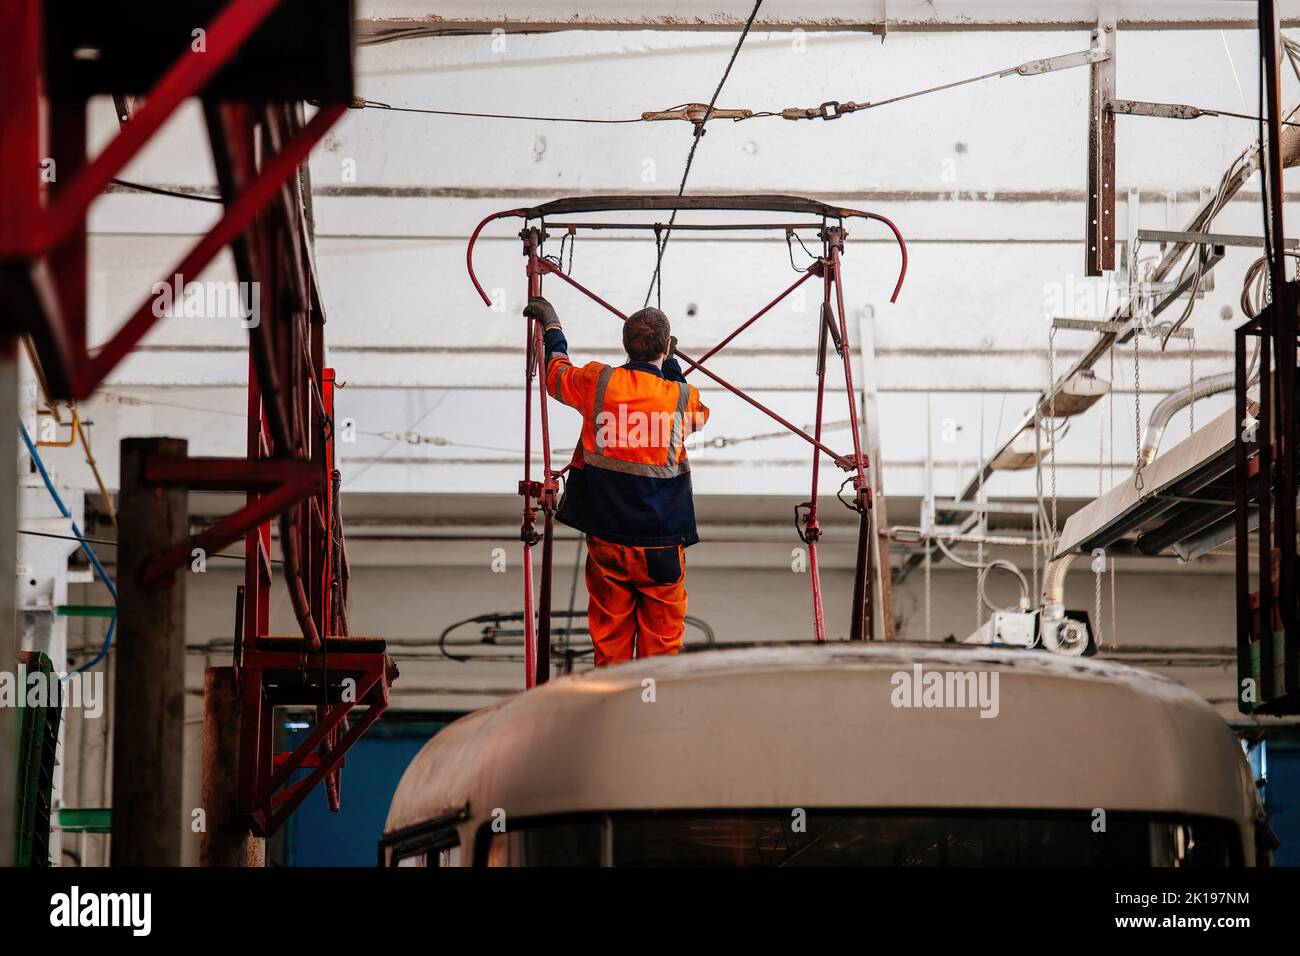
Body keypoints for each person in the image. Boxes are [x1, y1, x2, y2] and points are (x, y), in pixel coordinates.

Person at [524, 295, 709, 666]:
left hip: (608, 539)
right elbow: (697, 419)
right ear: (667, 345)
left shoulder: (599, 382)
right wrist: (672, 365)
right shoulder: (681, 397)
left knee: (610, 646)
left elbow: (556, 375)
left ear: (625, 346)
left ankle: (613, 710)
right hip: (661, 545)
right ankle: (654, 708)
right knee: (662, 652)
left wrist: (553, 326)